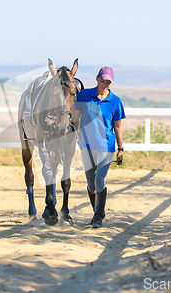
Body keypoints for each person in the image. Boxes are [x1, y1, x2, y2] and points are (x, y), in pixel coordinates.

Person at [72, 66, 126, 228]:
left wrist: (120, 149)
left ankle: (97, 217)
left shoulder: (115, 101)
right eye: (103, 81)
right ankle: (98, 211)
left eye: (108, 82)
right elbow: (74, 119)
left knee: (99, 180)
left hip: (106, 147)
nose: (105, 84)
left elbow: (118, 127)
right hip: (87, 146)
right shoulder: (84, 96)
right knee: (91, 184)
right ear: (97, 78)